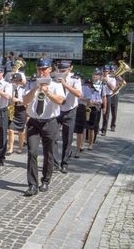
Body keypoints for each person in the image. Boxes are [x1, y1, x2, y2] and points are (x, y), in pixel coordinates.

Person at [22, 58, 65, 196]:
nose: (41, 72)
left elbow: (60, 101)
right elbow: (24, 101)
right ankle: (32, 184)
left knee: (49, 153)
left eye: (44, 69)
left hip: (50, 122)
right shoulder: (31, 83)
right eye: (39, 69)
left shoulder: (56, 84)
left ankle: (45, 180)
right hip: (34, 121)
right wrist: (35, 87)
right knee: (32, 152)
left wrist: (47, 91)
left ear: (49, 70)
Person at [53, 61, 82, 174]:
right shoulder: (54, 78)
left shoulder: (75, 79)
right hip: (57, 110)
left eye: (64, 71)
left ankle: (64, 163)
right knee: (53, 137)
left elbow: (79, 94)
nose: (61, 73)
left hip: (70, 110)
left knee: (68, 138)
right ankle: (55, 163)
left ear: (70, 69)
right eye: (60, 71)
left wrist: (65, 85)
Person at [7, 72, 27, 154]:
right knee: (10, 130)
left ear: (20, 81)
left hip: (21, 109)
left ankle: (20, 147)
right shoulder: (10, 88)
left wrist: (18, 100)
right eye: (13, 81)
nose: (14, 83)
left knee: (20, 130)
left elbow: (26, 100)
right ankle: (10, 147)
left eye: (16, 81)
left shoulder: (24, 89)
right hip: (12, 108)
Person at [100, 65, 116, 136]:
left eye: (106, 71)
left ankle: (104, 129)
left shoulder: (112, 78)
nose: (104, 72)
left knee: (106, 114)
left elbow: (113, 88)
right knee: (97, 112)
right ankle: (95, 128)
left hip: (108, 96)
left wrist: (107, 82)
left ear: (108, 71)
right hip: (100, 96)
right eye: (103, 71)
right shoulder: (99, 77)